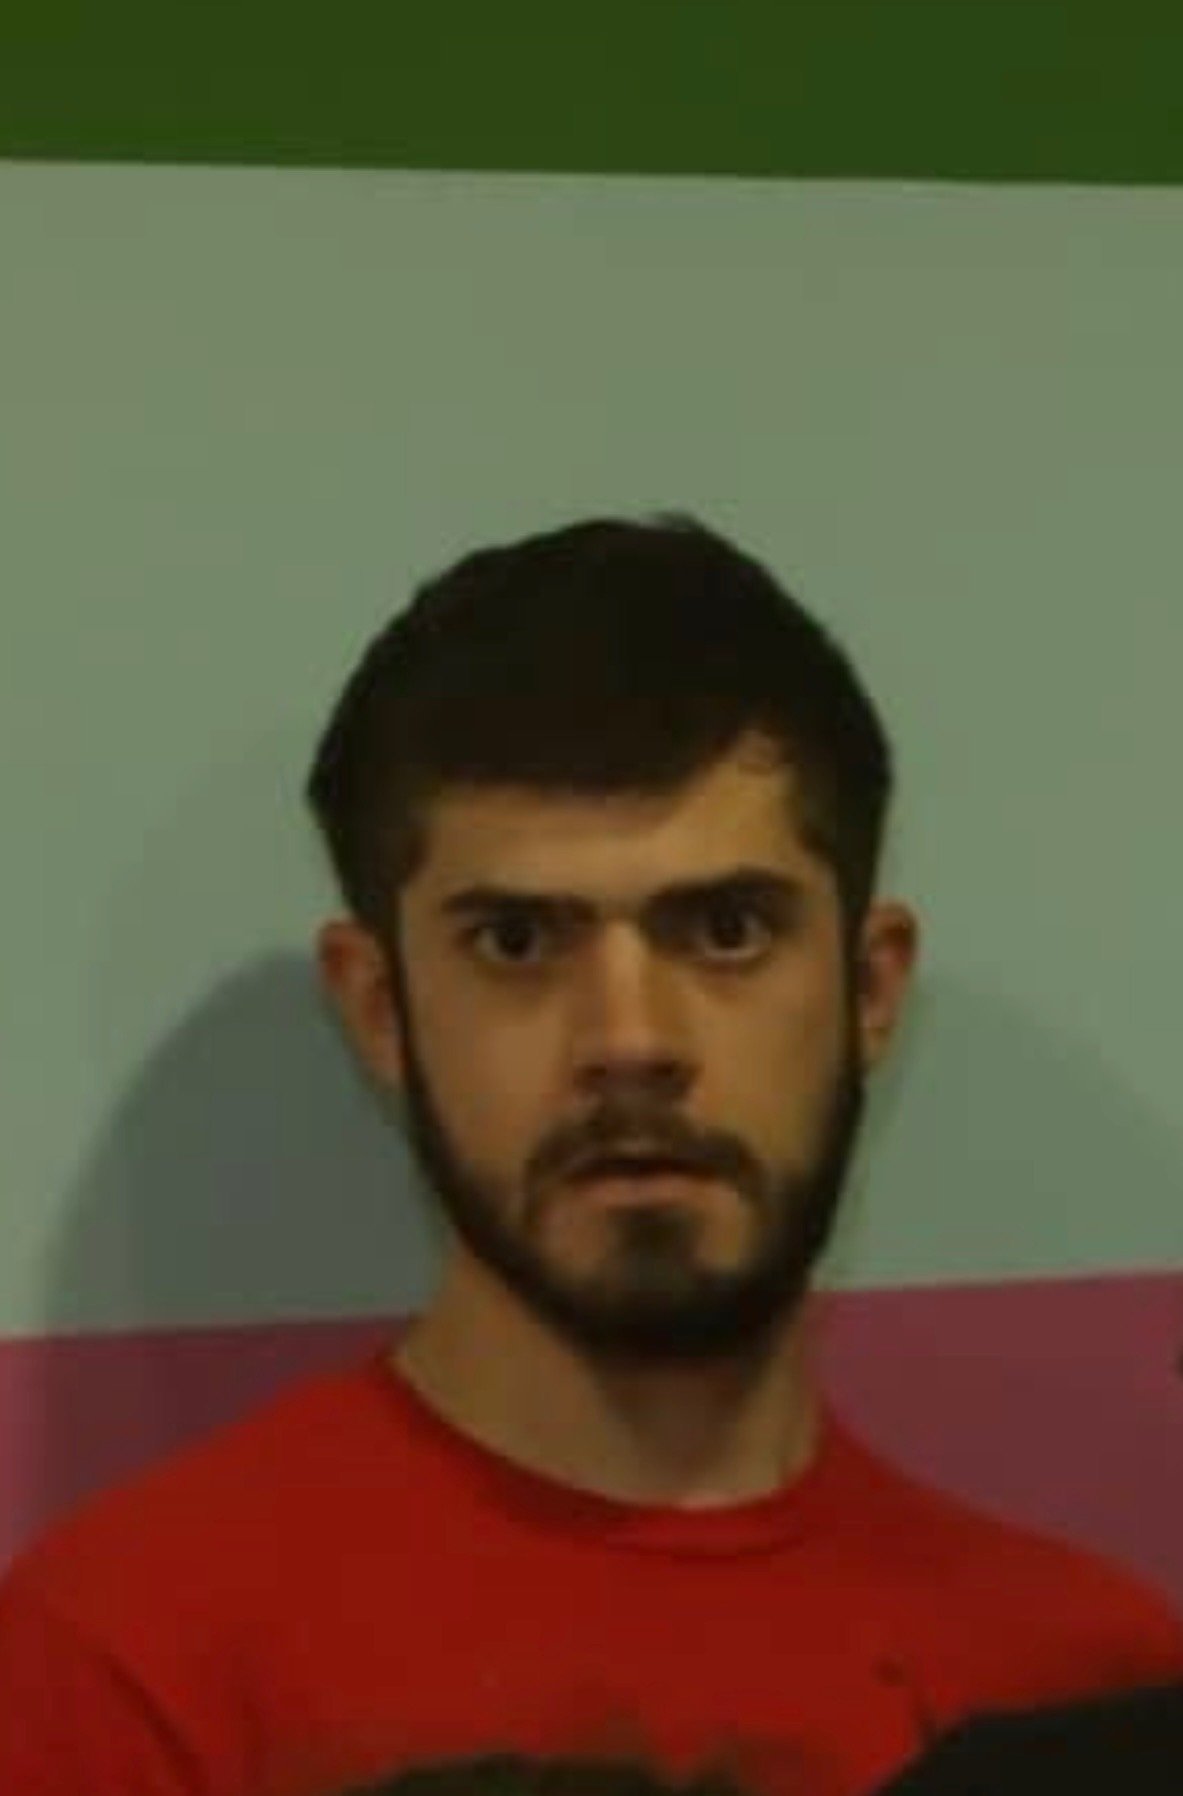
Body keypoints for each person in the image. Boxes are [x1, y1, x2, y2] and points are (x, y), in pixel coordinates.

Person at [0, 516, 1179, 1796]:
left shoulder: (1098, 1682)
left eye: (726, 928)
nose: (629, 1039)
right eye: (516, 941)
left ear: (870, 986)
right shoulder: (118, 1666)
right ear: (380, 1006)